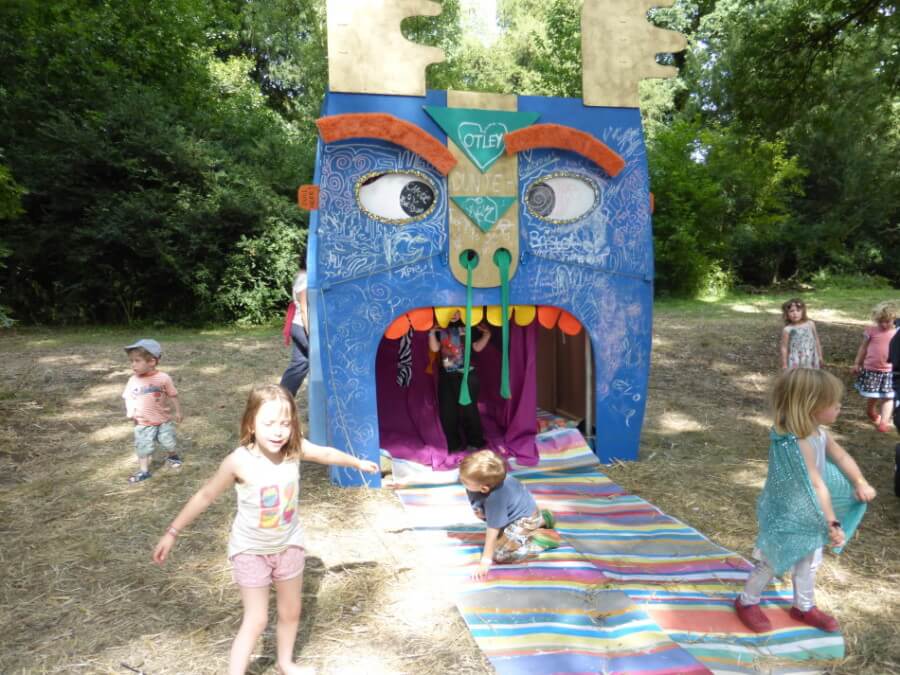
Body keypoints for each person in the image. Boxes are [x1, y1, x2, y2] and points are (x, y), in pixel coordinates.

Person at [153, 384, 378, 675]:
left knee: (291, 611)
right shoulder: (239, 461)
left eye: (285, 423)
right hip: (251, 551)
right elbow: (205, 495)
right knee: (256, 619)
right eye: (269, 423)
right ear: (251, 424)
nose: (278, 431)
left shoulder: (294, 449)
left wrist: (357, 462)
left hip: (289, 546)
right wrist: (172, 532)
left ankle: (285, 663)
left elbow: (325, 454)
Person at [734, 369, 876, 634]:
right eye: (833, 403)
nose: (839, 406)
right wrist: (832, 521)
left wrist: (859, 481)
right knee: (772, 560)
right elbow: (816, 483)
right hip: (789, 512)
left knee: (809, 561)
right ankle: (746, 601)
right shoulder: (795, 442)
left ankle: (803, 606)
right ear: (811, 406)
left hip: (812, 510)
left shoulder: (820, 433)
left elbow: (841, 457)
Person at [459, 449, 562, 581]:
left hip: (524, 520)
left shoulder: (494, 499)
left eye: (465, 481)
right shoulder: (488, 481)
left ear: (484, 488)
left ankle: (540, 540)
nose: (461, 480)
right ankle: (541, 519)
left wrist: (485, 561)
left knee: (500, 554)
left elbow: (492, 530)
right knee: (500, 536)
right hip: (514, 514)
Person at [123, 338, 183, 483]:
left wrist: (178, 411)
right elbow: (127, 397)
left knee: (168, 442)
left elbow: (173, 395)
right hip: (143, 422)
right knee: (143, 448)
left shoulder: (163, 378)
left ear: (152, 361)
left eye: (137, 361)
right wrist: (130, 411)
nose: (133, 365)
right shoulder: (133, 380)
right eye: (131, 361)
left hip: (163, 420)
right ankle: (144, 471)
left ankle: (173, 456)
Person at [428, 311, 491, 451]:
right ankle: (453, 444)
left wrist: (487, 335)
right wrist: (431, 333)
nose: (454, 314)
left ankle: (475, 442)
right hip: (447, 374)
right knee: (447, 411)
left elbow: (477, 347)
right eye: (450, 310)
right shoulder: (441, 325)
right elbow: (435, 348)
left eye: (457, 310)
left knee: (470, 410)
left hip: (467, 374)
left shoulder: (471, 324)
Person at [851, 301, 897, 432]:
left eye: (887, 321)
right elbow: (863, 348)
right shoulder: (871, 331)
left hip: (890, 371)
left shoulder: (896, 332)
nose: (883, 324)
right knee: (874, 395)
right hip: (872, 370)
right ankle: (871, 411)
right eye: (880, 321)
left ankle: (884, 422)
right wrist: (857, 363)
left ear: (894, 319)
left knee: (889, 396)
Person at [280, 269, 309, 397]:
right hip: (302, 327)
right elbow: (303, 309)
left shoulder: (302, 276)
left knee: (299, 364)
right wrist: (310, 334)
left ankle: (282, 399)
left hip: (298, 326)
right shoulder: (305, 277)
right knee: (322, 361)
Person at [780, 298, 822, 369]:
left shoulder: (810, 324)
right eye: (791, 311)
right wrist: (784, 364)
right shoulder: (788, 329)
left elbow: (816, 340)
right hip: (796, 360)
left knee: (811, 374)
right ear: (786, 314)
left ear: (803, 312)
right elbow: (784, 347)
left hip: (811, 357)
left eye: (798, 310)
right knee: (798, 375)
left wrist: (820, 355)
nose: (795, 313)